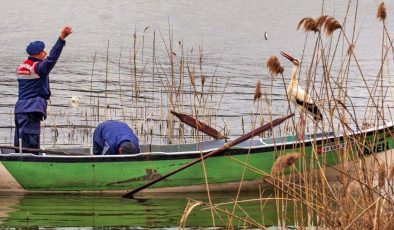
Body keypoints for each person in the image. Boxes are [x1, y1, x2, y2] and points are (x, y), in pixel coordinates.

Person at [14, 26, 73, 149]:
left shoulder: (21, 67)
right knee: (30, 146)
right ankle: (31, 165)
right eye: (42, 52)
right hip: (31, 110)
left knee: (19, 143)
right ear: (35, 54)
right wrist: (61, 39)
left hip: (20, 110)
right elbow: (52, 58)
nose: (45, 53)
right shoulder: (38, 68)